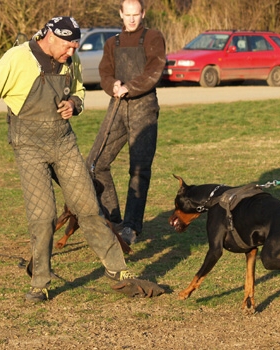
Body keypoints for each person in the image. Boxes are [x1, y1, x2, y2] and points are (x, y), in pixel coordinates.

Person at [0, 16, 135, 303]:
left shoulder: (70, 60)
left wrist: (74, 105)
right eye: (68, 46)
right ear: (51, 37)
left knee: (88, 206)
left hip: (64, 141)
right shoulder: (17, 58)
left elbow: (79, 91)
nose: (72, 52)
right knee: (43, 216)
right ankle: (40, 282)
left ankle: (117, 269)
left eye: (75, 46)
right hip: (28, 145)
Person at [86, 0, 166, 246]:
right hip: (117, 107)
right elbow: (105, 73)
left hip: (144, 108)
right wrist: (112, 86)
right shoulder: (112, 43)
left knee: (139, 170)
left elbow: (154, 70)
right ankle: (112, 220)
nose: (131, 19)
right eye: (127, 14)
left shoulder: (153, 38)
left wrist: (129, 87)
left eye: (136, 14)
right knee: (95, 163)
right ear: (120, 14)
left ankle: (131, 226)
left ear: (143, 14)